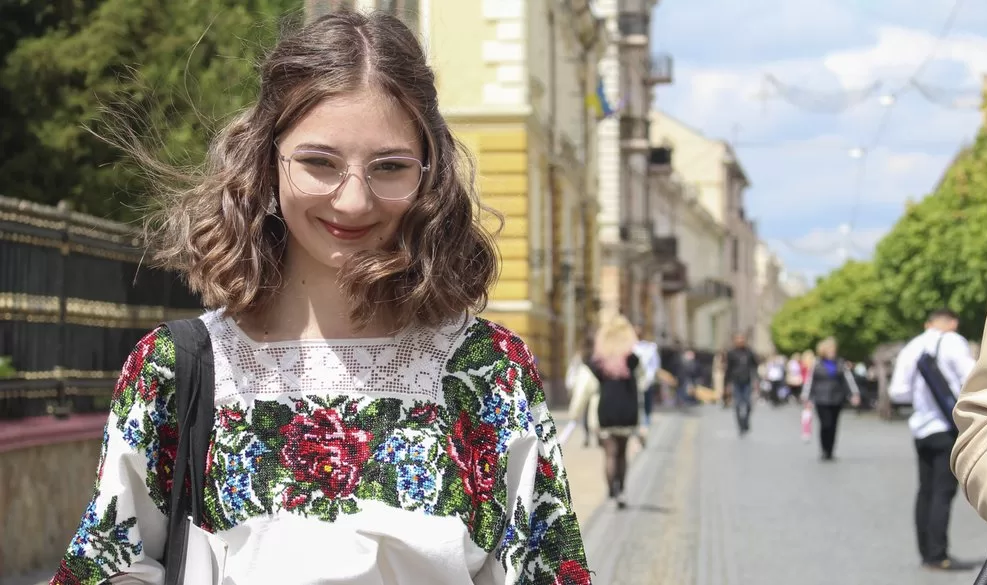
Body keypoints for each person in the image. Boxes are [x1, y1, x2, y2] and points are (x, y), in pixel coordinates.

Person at [49, 10, 589, 585]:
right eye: (318, 162)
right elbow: (108, 567)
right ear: (267, 160)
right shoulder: (174, 371)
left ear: (429, 175)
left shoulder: (488, 375)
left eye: (389, 167)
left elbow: (548, 571)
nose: (353, 200)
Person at [890, 308, 975, 572]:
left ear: (928, 323)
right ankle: (939, 555)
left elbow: (898, 392)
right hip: (945, 426)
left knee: (925, 491)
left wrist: (922, 400)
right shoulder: (953, 342)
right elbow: (973, 380)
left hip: (921, 428)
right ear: (953, 322)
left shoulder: (913, 346)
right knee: (942, 492)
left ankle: (926, 552)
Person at [568, 314, 644, 508]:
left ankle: (612, 489)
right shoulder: (632, 360)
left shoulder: (598, 363)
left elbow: (584, 388)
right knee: (622, 453)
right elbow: (644, 381)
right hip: (628, 411)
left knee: (610, 453)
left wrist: (574, 414)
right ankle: (622, 490)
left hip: (605, 412)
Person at [800, 337, 860, 460]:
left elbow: (848, 380)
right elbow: (810, 381)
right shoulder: (816, 363)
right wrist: (806, 397)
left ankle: (831, 450)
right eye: (830, 349)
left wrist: (854, 394)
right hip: (821, 398)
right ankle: (824, 449)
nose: (832, 352)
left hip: (836, 397)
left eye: (834, 349)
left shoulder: (840, 363)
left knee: (834, 425)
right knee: (825, 424)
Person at [724, 333, 758, 435]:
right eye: (738, 340)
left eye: (742, 339)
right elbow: (728, 369)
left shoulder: (749, 352)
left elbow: (754, 367)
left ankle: (746, 421)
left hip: (747, 381)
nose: (740, 341)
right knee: (738, 405)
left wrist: (756, 380)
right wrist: (727, 384)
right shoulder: (731, 353)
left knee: (748, 404)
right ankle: (740, 426)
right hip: (736, 381)